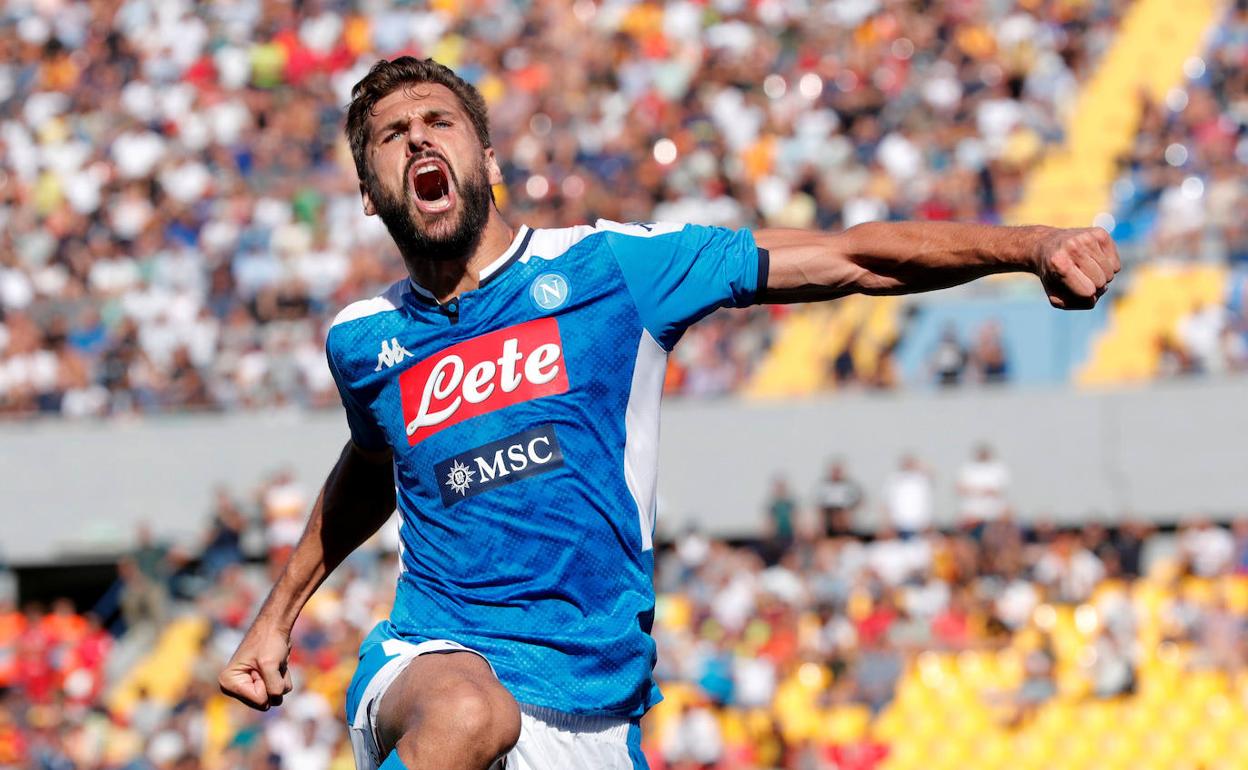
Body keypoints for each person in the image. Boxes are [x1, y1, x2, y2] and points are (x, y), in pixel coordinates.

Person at [218, 57, 1120, 770]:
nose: (418, 141)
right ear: (371, 192)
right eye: (391, 136)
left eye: (438, 123)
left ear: (488, 161)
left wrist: (1031, 247)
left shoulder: (616, 272)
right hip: (435, 661)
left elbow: (850, 257)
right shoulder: (364, 340)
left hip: (591, 705)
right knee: (464, 709)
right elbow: (374, 463)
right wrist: (277, 614)